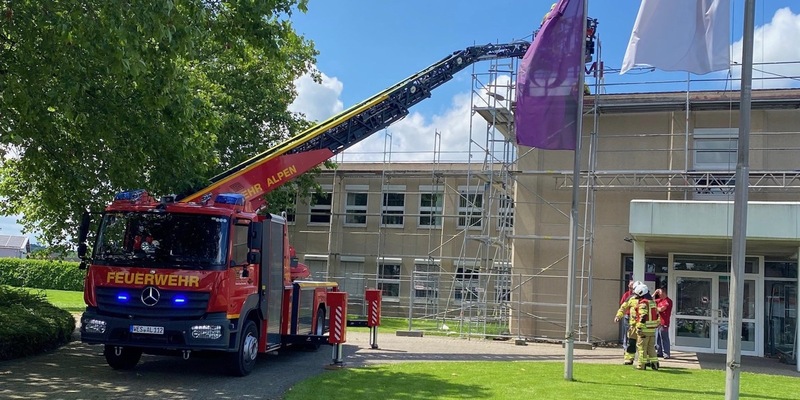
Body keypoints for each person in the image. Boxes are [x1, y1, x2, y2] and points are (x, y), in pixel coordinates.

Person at [632, 283, 660, 370]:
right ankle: (655, 364)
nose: (636, 296)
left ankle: (641, 365)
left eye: (637, 294)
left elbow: (643, 316)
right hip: (652, 330)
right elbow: (657, 315)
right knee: (651, 348)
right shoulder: (652, 303)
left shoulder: (643, 303)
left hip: (644, 329)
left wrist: (639, 327)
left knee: (642, 348)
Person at [614, 280, 640, 365]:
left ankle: (645, 361)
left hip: (643, 326)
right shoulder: (630, 298)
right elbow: (623, 307)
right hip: (633, 324)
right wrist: (618, 316)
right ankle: (629, 359)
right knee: (631, 342)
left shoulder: (646, 300)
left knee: (643, 344)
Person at [653, 288, 673, 359]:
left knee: (664, 338)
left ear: (664, 293)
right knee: (658, 338)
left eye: (660, 293)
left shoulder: (668, 301)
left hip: (664, 322)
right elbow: (650, 301)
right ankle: (659, 352)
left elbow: (662, 309)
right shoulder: (659, 300)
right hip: (658, 323)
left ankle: (666, 353)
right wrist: (654, 293)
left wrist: (656, 307)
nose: (659, 295)